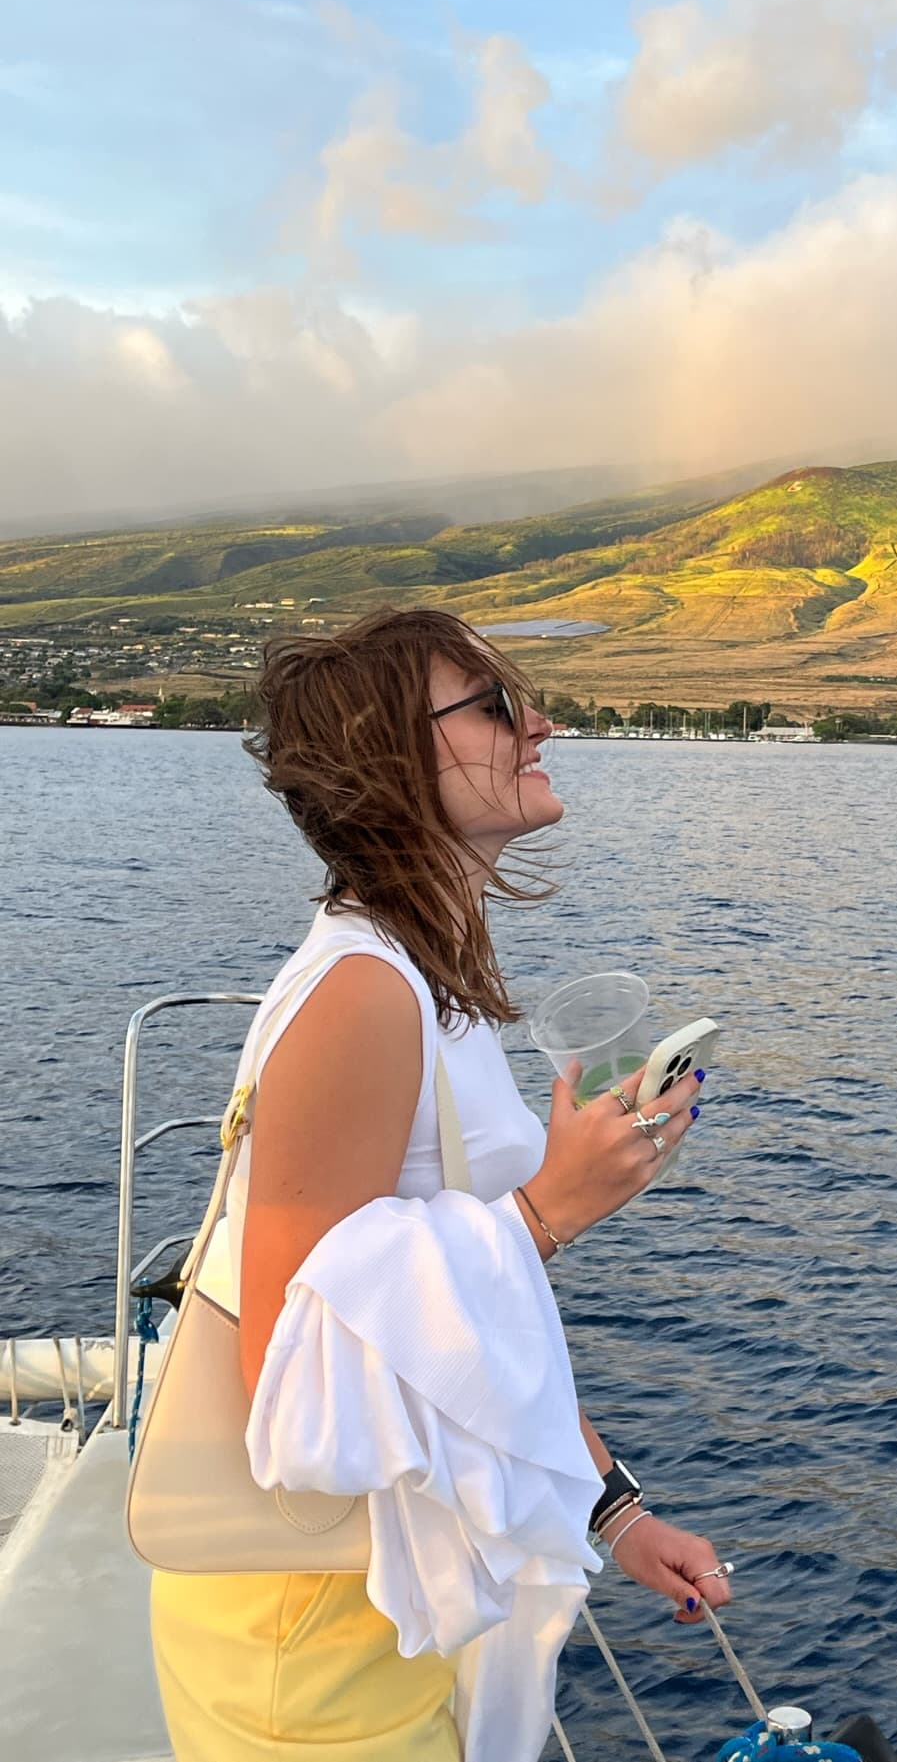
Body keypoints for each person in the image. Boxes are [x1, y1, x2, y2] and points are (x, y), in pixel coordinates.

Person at [149, 605, 728, 1758]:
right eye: (496, 706)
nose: (540, 723)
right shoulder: (362, 995)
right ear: (392, 759)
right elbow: (292, 1378)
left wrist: (613, 1510)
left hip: (385, 1600)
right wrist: (548, 1209)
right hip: (309, 1639)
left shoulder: (417, 976)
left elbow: (445, 1323)